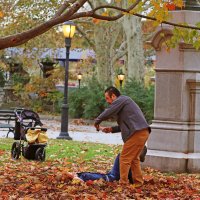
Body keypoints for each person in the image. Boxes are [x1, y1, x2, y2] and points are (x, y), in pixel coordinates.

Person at [94, 86, 150, 186]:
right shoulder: (125, 103)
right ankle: (138, 183)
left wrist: (97, 121)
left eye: (107, 98)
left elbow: (109, 111)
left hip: (137, 133)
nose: (107, 101)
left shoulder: (122, 99)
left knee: (124, 158)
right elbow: (125, 125)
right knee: (134, 159)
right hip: (142, 132)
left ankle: (123, 185)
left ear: (114, 96)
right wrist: (111, 129)